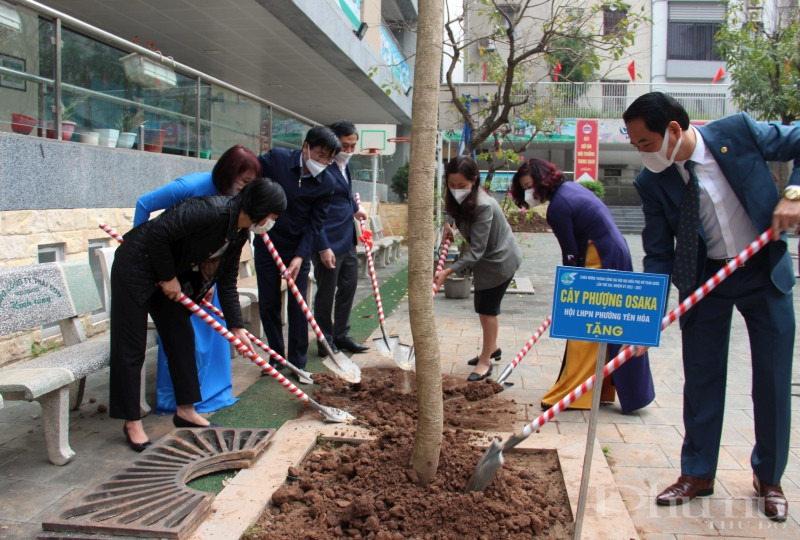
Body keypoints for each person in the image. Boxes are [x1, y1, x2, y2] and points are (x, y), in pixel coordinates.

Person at [623, 91, 800, 522]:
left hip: (763, 272)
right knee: (701, 380)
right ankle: (697, 473)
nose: (642, 154)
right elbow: (659, 253)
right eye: (634, 146)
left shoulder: (738, 132)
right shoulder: (653, 181)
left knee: (773, 381)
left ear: (674, 131)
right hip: (704, 282)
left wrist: (794, 192)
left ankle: (769, 478)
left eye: (645, 143)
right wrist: (645, 319)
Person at [110, 179, 287, 451]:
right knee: (130, 345)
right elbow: (157, 234)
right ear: (260, 210)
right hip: (136, 264)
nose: (270, 224)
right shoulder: (208, 211)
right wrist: (169, 277)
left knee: (181, 335)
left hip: (167, 272)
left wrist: (237, 328)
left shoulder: (239, 232)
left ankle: (185, 411)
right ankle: (131, 422)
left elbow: (227, 280)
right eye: (272, 218)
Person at [509, 158, 655, 414]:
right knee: (615, 325)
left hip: (600, 260)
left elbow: (570, 254)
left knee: (585, 326)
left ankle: (575, 392)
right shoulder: (571, 189)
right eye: (524, 189)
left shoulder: (558, 207)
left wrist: (570, 292)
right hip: (615, 253)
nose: (528, 193)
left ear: (543, 180)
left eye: (529, 186)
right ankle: (614, 389)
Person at [133, 145, 261, 415]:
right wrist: (140, 254)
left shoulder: (235, 203)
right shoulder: (191, 186)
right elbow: (144, 204)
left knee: (214, 331)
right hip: (171, 272)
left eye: (252, 184)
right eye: (244, 182)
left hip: (204, 274)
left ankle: (211, 393)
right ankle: (177, 399)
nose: (246, 189)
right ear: (228, 174)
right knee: (181, 335)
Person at [255, 126, 341, 373]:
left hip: (298, 248)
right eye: (319, 154)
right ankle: (276, 357)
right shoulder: (277, 161)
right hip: (267, 243)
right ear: (305, 146)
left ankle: (297, 360)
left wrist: (301, 255)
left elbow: (316, 223)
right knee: (269, 302)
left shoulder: (327, 182)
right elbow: (251, 176)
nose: (323, 162)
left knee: (298, 303)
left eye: (329, 158)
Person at [434, 156, 522, 381]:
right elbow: (450, 207)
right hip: (486, 261)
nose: (456, 190)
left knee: (488, 310)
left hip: (500, 261)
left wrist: (447, 271)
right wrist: (447, 224)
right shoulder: (456, 195)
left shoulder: (483, 205)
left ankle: (486, 361)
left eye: (462, 186)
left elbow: (476, 252)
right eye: (452, 185)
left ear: (474, 180)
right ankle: (492, 348)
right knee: (483, 308)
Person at [312, 121, 369, 356]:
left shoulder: (345, 166)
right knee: (326, 292)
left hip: (348, 239)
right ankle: (324, 339)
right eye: (345, 146)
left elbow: (345, 194)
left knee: (348, 287)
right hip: (327, 243)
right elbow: (313, 211)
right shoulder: (321, 168)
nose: (349, 150)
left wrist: (356, 208)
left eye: (353, 145)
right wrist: (322, 246)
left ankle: (341, 334)